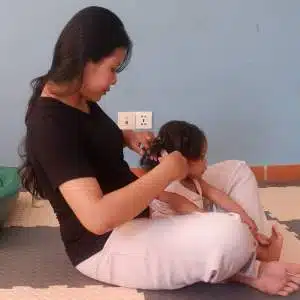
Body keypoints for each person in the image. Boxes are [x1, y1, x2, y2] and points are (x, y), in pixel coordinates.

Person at [18, 6, 300, 296]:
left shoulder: (76, 95)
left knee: (237, 171)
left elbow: (89, 139)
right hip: (108, 243)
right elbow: (97, 218)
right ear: (84, 61)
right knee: (229, 234)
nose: (115, 80)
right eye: (112, 69)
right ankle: (250, 266)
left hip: (146, 209)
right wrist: (165, 174)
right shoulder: (49, 124)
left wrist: (127, 137)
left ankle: (254, 251)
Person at [140, 120, 283, 262]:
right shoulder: (168, 189)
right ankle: (257, 255)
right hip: (173, 241)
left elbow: (217, 195)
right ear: (184, 161)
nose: (206, 164)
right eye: (202, 157)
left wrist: (244, 217)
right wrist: (233, 225)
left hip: (196, 223)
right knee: (220, 238)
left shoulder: (194, 180)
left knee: (228, 230)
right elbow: (196, 214)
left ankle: (255, 252)